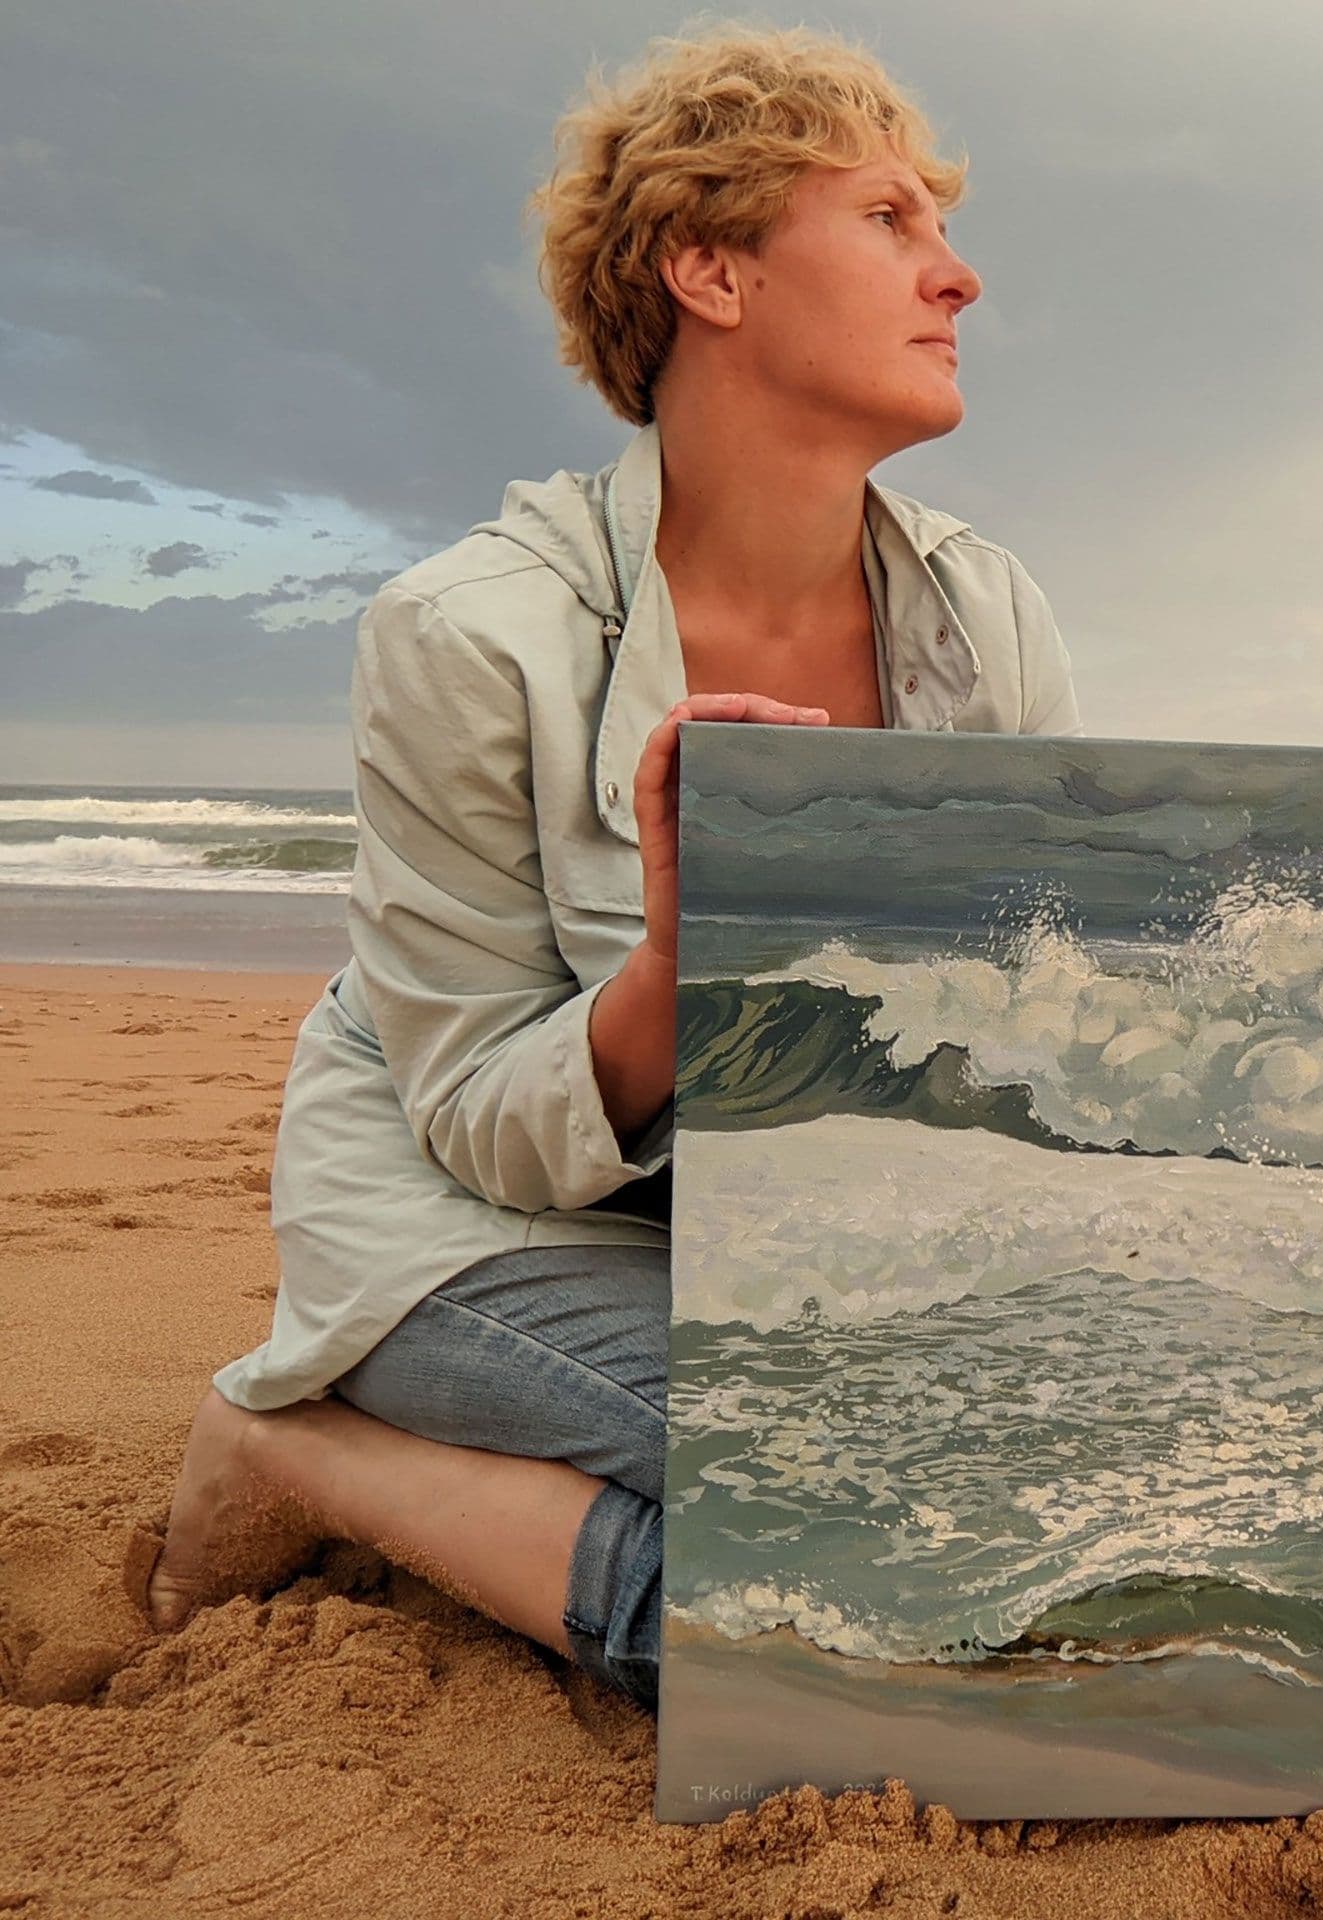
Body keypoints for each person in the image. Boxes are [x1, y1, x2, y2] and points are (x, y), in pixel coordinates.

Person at [141, 24, 1084, 1707]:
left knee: (1078, 1497)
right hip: (466, 1221)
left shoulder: (985, 615)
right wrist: (674, 966)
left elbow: (1021, 1026)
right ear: (710, 272)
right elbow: (471, 1113)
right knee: (886, 1567)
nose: (959, 276)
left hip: (760, 1221)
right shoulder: (465, 632)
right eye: (888, 221)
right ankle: (305, 1446)